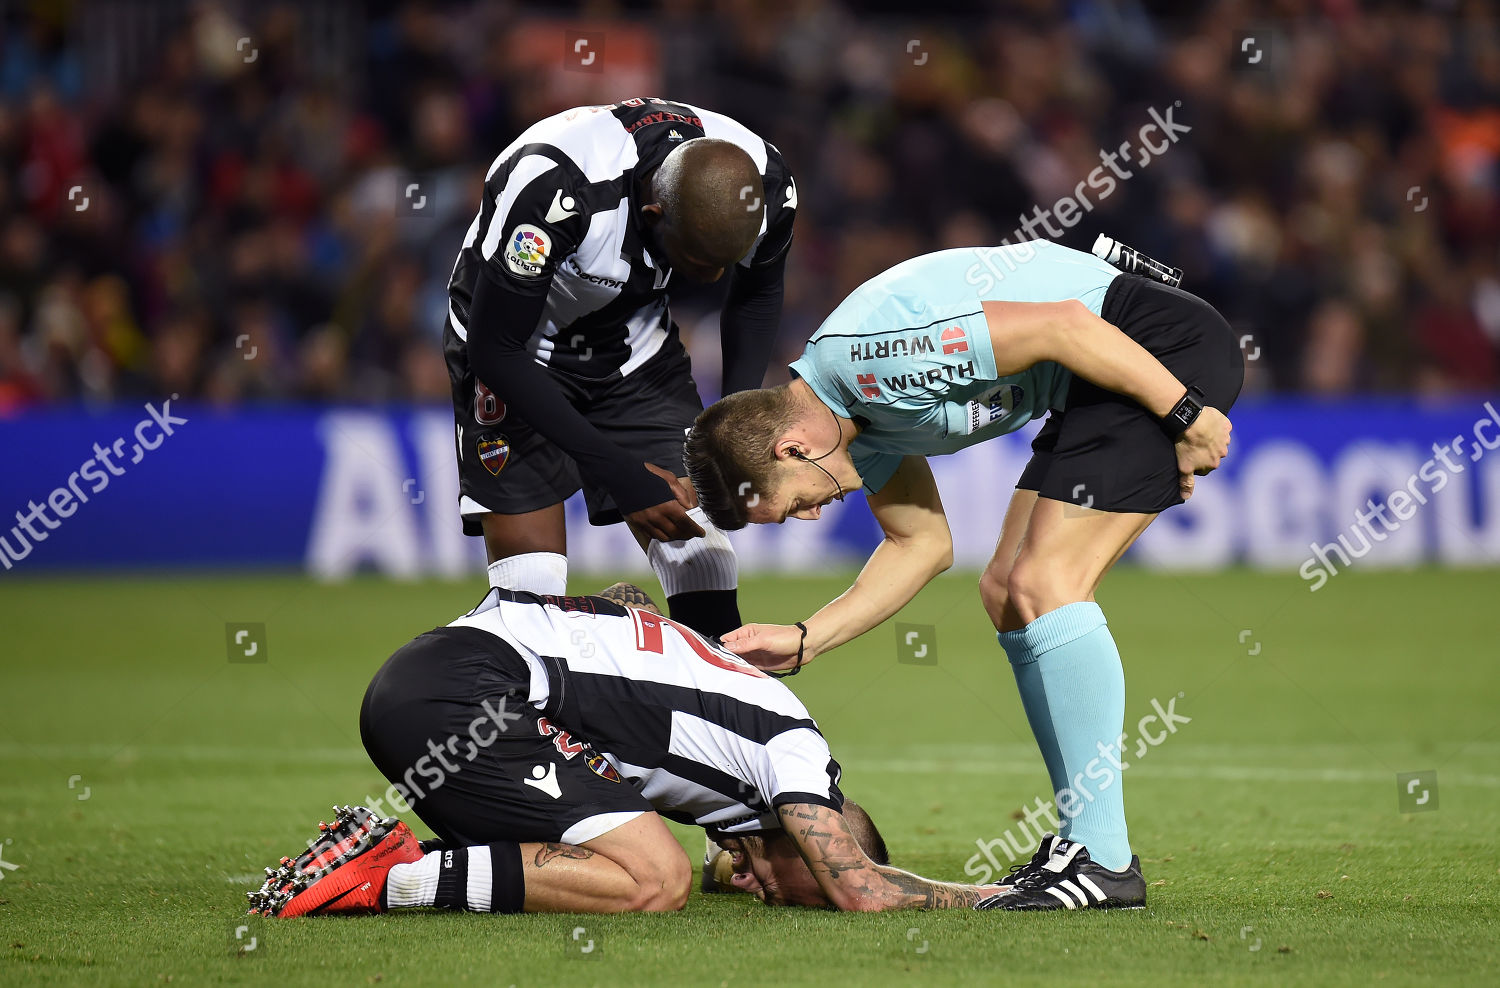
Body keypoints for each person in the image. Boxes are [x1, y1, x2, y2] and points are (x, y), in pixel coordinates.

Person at [682, 239, 1243, 910]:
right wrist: (806, 640)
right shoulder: (857, 423)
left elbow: (1064, 324)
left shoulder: (867, 366)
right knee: (1006, 589)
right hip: (1094, 386)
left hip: (1152, 355)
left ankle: (1103, 857)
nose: (810, 515)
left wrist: (1186, 414)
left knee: (1045, 583)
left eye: (794, 502)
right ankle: (1079, 845)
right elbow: (921, 545)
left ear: (792, 448)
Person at [248, 583, 1007, 917]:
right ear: (824, 832)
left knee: (606, 857)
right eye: (788, 888)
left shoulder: (736, 778)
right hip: (468, 694)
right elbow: (861, 890)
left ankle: (397, 855)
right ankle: (391, 878)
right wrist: (994, 896)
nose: (758, 891)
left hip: (433, 681)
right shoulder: (795, 746)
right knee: (654, 880)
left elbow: (623, 600)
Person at [446, 97, 796, 638]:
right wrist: (620, 474)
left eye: (724, 263)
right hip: (518, 350)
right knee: (532, 592)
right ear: (654, 215)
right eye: (700, 262)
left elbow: (755, 294)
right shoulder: (555, 188)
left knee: (701, 554)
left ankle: (705, 717)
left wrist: (732, 425)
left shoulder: (765, 183)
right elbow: (497, 350)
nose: (709, 279)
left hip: (633, 350)